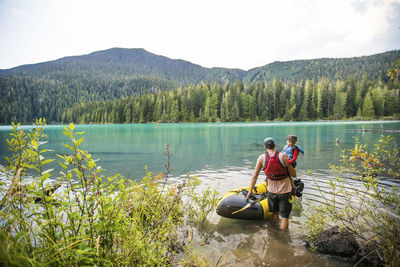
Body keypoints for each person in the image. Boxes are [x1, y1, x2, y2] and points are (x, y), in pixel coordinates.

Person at [246, 137, 294, 230]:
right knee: (284, 217)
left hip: (271, 191)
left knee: (275, 214)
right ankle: (284, 239)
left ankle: (275, 235)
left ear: (265, 147)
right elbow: (293, 174)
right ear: (274, 145)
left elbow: (255, 175)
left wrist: (250, 190)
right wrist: (293, 166)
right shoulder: (283, 156)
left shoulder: (261, 158)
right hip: (285, 191)